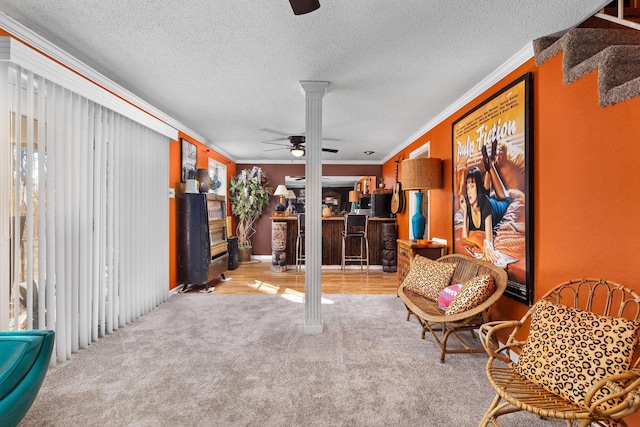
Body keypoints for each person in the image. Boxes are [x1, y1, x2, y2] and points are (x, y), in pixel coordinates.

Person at [460, 138, 512, 244]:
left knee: (505, 198)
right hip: (484, 196)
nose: (468, 191)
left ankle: (490, 164)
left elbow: (489, 242)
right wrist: (465, 211)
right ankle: (490, 163)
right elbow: (464, 237)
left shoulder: (486, 204)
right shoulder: (468, 203)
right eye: (467, 187)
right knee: (484, 192)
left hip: (499, 205)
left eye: (472, 186)